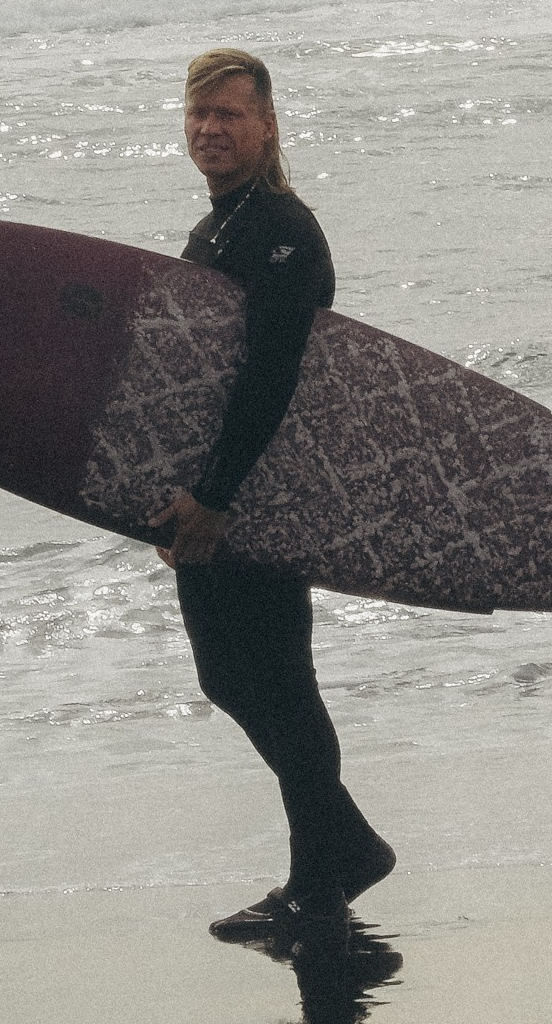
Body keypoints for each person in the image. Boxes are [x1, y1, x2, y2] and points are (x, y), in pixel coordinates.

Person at [147, 48, 394, 949]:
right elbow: (195, 377)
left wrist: (214, 498)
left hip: (262, 496)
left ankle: (321, 881)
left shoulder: (278, 229)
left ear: (268, 126)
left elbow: (271, 375)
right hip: (222, 489)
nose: (211, 128)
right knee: (234, 676)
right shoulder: (224, 224)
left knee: (280, 682)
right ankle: (339, 850)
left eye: (230, 115)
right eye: (199, 114)